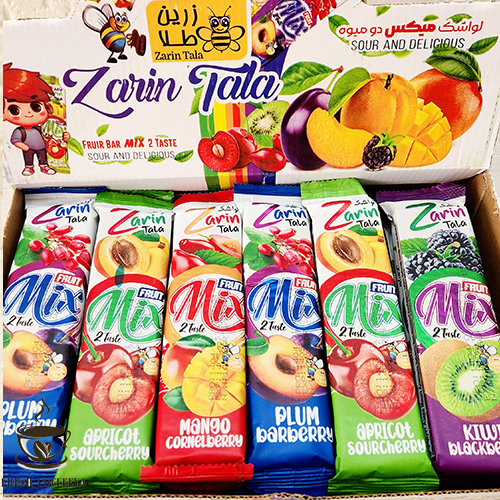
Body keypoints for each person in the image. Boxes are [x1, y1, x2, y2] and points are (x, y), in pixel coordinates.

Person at [3, 63, 70, 176]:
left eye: (36, 107)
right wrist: (23, 146)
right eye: (15, 110)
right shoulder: (20, 131)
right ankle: (29, 167)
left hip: (42, 147)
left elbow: (48, 134)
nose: (29, 113)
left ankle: (44, 166)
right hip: (28, 148)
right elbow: (15, 140)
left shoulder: (41, 127)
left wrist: (64, 137)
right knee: (28, 159)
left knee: (43, 158)